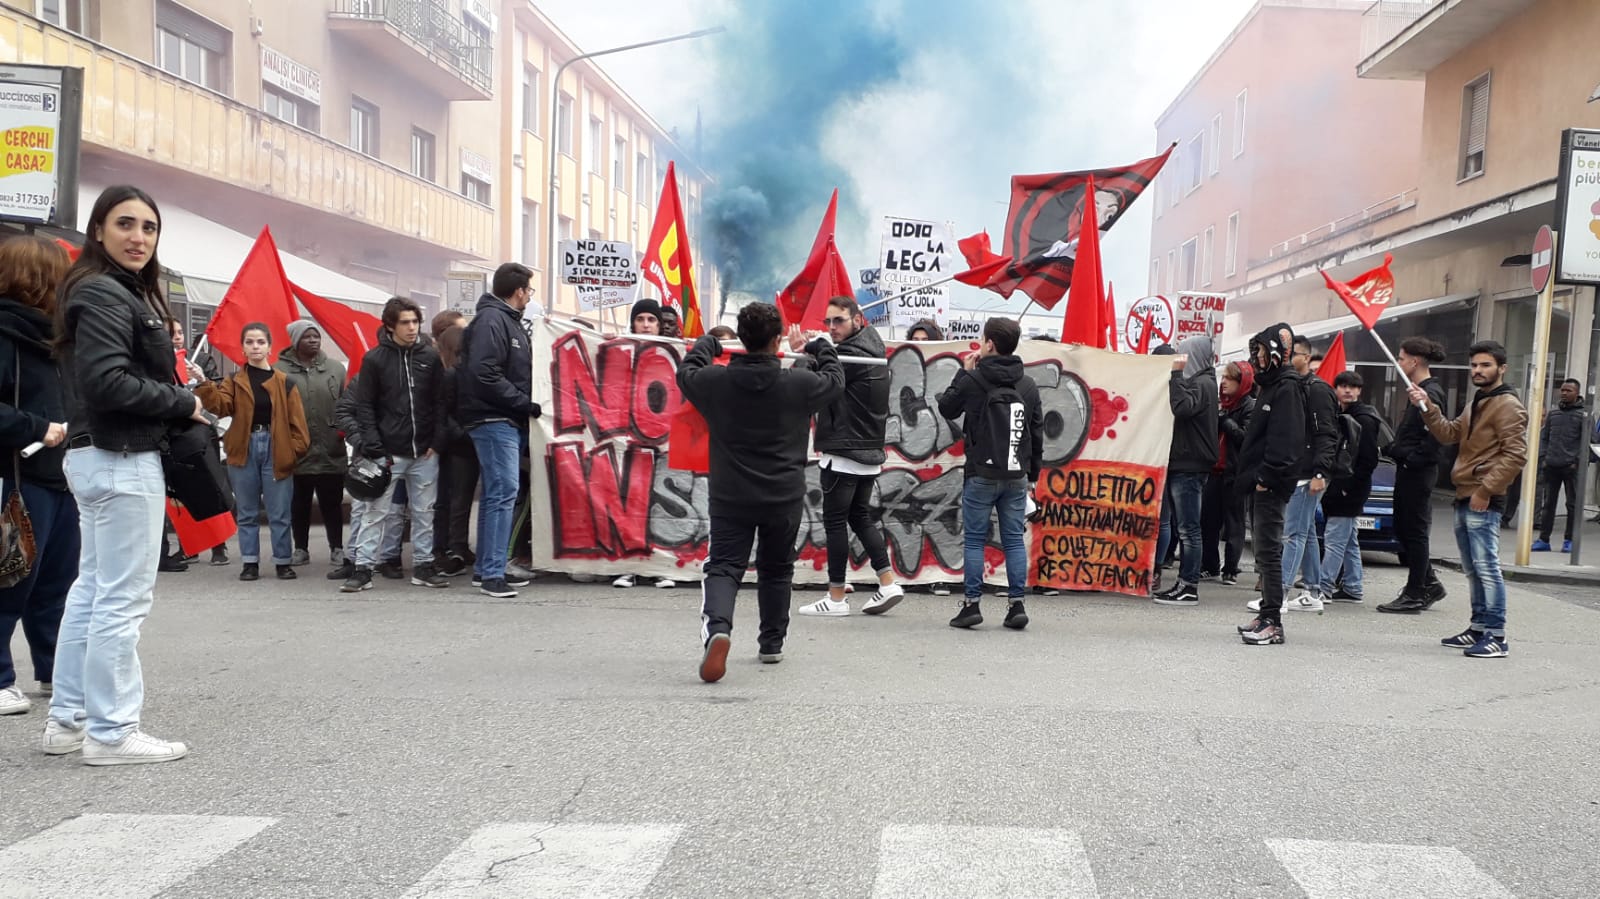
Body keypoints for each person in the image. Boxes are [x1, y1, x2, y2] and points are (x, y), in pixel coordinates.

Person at [48, 184, 199, 764]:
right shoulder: (108, 293)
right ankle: (111, 732)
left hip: (96, 456)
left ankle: (70, 720)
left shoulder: (101, 290)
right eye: (125, 224)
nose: (138, 237)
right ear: (98, 230)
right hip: (120, 456)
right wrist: (182, 402)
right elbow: (108, 382)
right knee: (121, 600)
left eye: (149, 227)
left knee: (91, 592)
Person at [677, 302, 843, 682]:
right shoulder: (798, 384)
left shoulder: (715, 383)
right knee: (776, 568)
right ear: (778, 338)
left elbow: (686, 371)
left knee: (723, 566)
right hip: (783, 494)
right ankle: (772, 643)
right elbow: (835, 380)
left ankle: (718, 627)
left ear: (743, 339)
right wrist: (818, 348)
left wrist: (709, 345)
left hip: (731, 494)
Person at [0, 236, 77, 717]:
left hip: (60, 477)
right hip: (14, 475)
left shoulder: (59, 338)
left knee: (56, 582)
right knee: (9, 578)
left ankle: (53, 670)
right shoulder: (5, 332)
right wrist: (36, 428)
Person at [1411, 340, 1526, 657]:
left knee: (1487, 568)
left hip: (1482, 496)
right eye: (1474, 365)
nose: (1478, 370)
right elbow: (1449, 434)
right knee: (1474, 569)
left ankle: (1496, 635)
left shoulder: (1507, 405)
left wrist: (1486, 490)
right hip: (1466, 493)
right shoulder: (1478, 401)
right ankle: (1478, 628)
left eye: (1485, 365)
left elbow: (1516, 455)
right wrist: (1426, 406)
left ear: (1502, 368)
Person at [796, 296, 904, 617]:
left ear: (858, 320)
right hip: (866, 452)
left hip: (844, 451)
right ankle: (887, 582)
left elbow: (811, 382)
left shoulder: (851, 357)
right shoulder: (871, 351)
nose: (832, 328)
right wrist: (818, 346)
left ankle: (837, 597)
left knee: (835, 523)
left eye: (838, 321)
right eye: (828, 322)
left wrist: (808, 349)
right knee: (859, 517)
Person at [936, 317, 1044, 631]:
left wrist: (963, 372)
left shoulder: (975, 379)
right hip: (1016, 474)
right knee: (1013, 541)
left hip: (981, 472)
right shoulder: (1028, 384)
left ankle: (971, 606)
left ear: (990, 344)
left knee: (974, 541)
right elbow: (1035, 432)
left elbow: (946, 408)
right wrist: (1033, 473)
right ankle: (1016, 605)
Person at [342, 296, 448, 592]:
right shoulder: (375, 359)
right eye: (405, 322)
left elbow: (440, 402)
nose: (412, 327)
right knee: (375, 512)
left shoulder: (429, 357)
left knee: (425, 513)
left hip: (425, 453)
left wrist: (437, 441)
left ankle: (424, 567)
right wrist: (375, 446)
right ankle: (363, 569)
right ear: (390, 326)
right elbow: (365, 406)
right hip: (388, 454)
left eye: (415, 321)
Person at [195, 324, 311, 581]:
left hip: (276, 447)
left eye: (260, 342)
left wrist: (291, 452)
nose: (255, 346)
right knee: (247, 511)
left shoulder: (285, 383)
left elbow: (299, 426)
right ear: (243, 347)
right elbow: (220, 406)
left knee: (279, 511)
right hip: (244, 447)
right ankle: (250, 563)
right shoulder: (235, 381)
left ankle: (283, 561)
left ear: (270, 347)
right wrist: (203, 382)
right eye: (250, 342)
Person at [461, 263, 542, 598]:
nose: (528, 296)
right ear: (519, 290)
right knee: (503, 493)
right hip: (494, 419)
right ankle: (493, 572)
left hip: (501, 418)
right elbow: (485, 372)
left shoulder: (504, 320)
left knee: (497, 494)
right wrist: (522, 402)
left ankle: (486, 569)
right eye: (528, 290)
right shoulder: (494, 321)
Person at [1234, 324, 1306, 646]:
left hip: (1271, 485)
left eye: (1262, 350)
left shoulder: (1287, 388)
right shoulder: (1271, 385)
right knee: (1263, 555)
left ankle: (1273, 622)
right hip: (1259, 482)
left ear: (1277, 351)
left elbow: (1286, 439)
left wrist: (1266, 477)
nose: (1257, 357)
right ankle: (1265, 614)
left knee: (1269, 554)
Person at [1379, 337, 1448, 613]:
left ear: (1414, 361)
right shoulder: (1418, 390)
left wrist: (1410, 459)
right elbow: (1411, 434)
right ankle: (1428, 582)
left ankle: (1416, 591)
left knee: (1414, 531)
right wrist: (1392, 449)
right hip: (1409, 469)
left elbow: (1435, 436)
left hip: (1418, 472)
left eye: (1401, 358)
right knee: (1404, 528)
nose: (1398, 363)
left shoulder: (1430, 393)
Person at [613, 297, 676, 589]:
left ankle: (663, 566)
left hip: (665, 440)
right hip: (631, 440)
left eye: (651, 320)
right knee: (632, 503)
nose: (646, 325)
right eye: (641, 319)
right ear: (633, 322)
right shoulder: (620, 350)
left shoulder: (674, 353)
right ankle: (629, 565)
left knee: (663, 504)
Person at [276, 320, 348, 569]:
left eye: (316, 336)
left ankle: (337, 548)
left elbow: (344, 404)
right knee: (299, 503)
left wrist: (341, 430)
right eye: (307, 337)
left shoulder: (335, 369)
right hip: (298, 450)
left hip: (331, 448)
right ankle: (301, 549)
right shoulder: (279, 371)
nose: (314, 341)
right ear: (295, 341)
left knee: (332, 503)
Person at [1153, 335, 1219, 606]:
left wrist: (1176, 377)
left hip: (1189, 464)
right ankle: (1184, 582)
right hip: (1189, 462)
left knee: (1189, 529)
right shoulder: (1206, 383)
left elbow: (1181, 407)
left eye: (1184, 354)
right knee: (1187, 527)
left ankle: (1189, 585)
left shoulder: (1201, 383)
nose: (1180, 359)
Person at [1278, 336, 1340, 612]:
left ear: (1305, 357)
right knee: (1307, 532)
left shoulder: (1317, 390)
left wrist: (1320, 472)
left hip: (1308, 473)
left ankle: (1278, 594)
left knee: (1294, 534)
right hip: (1296, 469)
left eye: (1293, 355)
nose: (1288, 360)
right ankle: (1313, 593)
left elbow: (1327, 434)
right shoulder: (1293, 387)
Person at [159, 319, 226, 571]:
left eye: (179, 332)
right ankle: (189, 547)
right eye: (171, 333)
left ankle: (219, 546)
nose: (177, 337)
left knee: (210, 486)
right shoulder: (157, 363)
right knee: (180, 498)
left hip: (200, 433)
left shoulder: (200, 360)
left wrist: (202, 377)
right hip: (175, 435)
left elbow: (217, 393)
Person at [1315, 371, 1382, 604]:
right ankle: (1353, 586)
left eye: (1353, 386)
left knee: (1334, 538)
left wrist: (1348, 486)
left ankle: (1322, 588)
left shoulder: (1363, 418)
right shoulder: (1343, 415)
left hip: (1348, 487)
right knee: (1348, 539)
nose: (1348, 390)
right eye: (1343, 386)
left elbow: (1368, 458)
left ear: (1360, 390)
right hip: (1345, 485)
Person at [903, 319, 951, 596]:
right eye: (915, 340)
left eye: (926, 340)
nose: (920, 346)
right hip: (906, 456)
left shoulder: (945, 373)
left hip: (939, 457)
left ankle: (937, 574)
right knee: (906, 518)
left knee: (937, 516)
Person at [433, 324, 479, 577]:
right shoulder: (451, 375)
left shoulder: (467, 372)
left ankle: (460, 546)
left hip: (468, 443)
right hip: (459, 446)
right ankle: (455, 547)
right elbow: (443, 412)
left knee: (464, 498)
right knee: (457, 499)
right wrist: (463, 433)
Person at [1202, 360, 1254, 586]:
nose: (1224, 383)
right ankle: (1209, 565)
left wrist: (1227, 422)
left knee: (1234, 524)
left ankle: (1231, 568)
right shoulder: (1220, 405)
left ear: (1241, 382)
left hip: (1235, 473)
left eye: (1229, 379)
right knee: (1208, 521)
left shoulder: (1249, 406)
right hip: (1214, 471)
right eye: (1223, 378)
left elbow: (1245, 438)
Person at [1533, 378, 1585, 552]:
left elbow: (1589, 442)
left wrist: (1576, 461)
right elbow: (1544, 437)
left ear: (1577, 393)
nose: (1563, 393)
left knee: (1572, 504)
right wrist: (1544, 458)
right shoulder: (1553, 414)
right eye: (1562, 390)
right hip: (1551, 466)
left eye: (1568, 390)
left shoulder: (1583, 415)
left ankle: (1569, 540)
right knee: (1548, 504)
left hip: (1572, 468)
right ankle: (1543, 539)